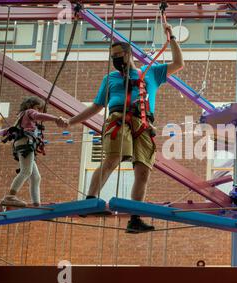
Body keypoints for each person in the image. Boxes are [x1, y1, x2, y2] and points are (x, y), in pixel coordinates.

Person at [68, 22, 184, 233]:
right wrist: (70, 121)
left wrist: (172, 37)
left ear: (130, 54)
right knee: (113, 158)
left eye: (120, 55)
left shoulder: (150, 73)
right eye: (113, 57)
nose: (116, 60)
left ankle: (135, 218)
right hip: (118, 119)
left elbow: (178, 63)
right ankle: (91, 199)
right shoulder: (110, 78)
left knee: (143, 172)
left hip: (144, 124)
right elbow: (96, 106)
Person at [0, 96, 68, 210]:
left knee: (36, 177)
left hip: (22, 145)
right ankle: (10, 196)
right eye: (38, 108)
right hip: (25, 144)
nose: (38, 111)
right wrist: (55, 119)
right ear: (32, 106)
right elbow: (37, 115)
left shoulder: (21, 118)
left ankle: (36, 205)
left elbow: (9, 130)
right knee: (26, 171)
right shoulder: (29, 112)